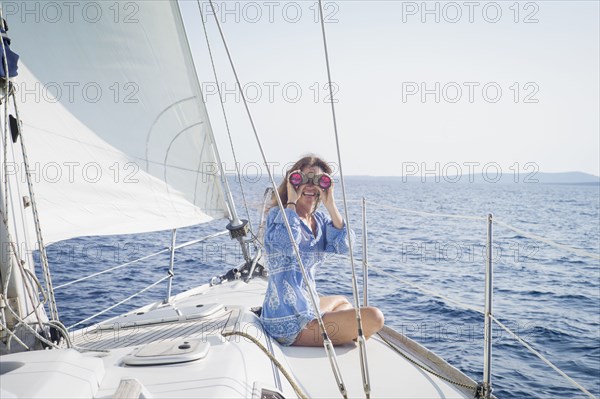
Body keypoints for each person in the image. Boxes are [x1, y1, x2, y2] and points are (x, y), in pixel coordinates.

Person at [260, 155, 384, 346]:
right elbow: (287, 245)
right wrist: (292, 201)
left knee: (343, 302)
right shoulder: (280, 215)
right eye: (303, 180)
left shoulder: (319, 220)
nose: (310, 186)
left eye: (317, 181)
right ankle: (344, 333)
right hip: (287, 321)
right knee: (374, 317)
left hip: (308, 308)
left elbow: (344, 246)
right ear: (293, 183)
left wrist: (330, 203)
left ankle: (341, 332)